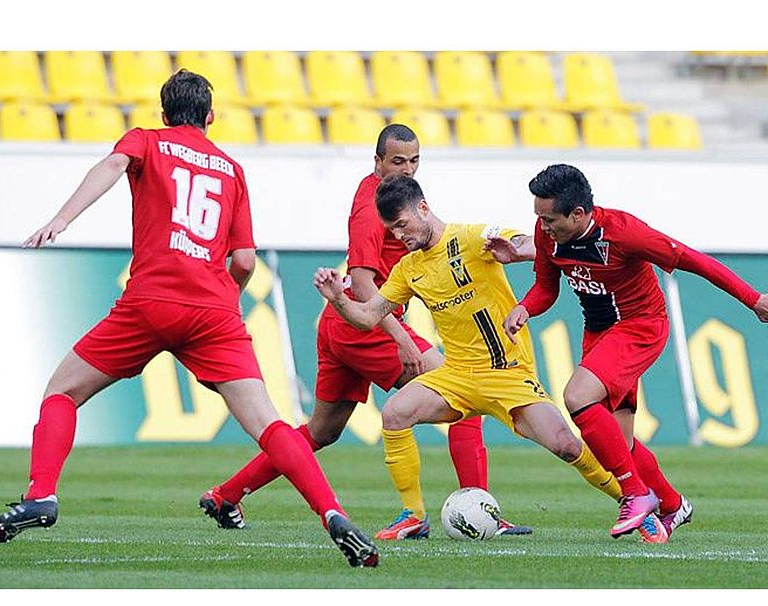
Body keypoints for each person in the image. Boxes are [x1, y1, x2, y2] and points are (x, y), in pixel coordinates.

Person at [0, 70, 379, 568]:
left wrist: (62, 219)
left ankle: (42, 494)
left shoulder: (146, 141)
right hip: (213, 309)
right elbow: (246, 261)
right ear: (210, 117)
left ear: (164, 113)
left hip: (150, 301)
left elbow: (111, 165)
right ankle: (333, 514)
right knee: (270, 425)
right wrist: (223, 305)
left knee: (62, 393)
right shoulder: (232, 170)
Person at [202, 124, 531, 541]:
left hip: (341, 328)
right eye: (397, 161)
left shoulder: (392, 198)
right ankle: (479, 512)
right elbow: (361, 283)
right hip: (363, 327)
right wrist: (403, 338)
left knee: (322, 431)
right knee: (465, 393)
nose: (406, 170)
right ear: (377, 162)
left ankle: (225, 495)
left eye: (414, 161)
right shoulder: (369, 210)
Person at [489, 163, 768, 541]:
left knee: (576, 395)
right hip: (599, 333)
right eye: (538, 217)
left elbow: (693, 260)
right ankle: (673, 505)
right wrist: (526, 307)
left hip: (640, 327)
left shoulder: (624, 233)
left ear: (578, 213)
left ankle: (636, 494)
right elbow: (546, 286)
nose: (542, 226)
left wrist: (753, 299)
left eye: (550, 218)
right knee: (616, 441)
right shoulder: (548, 234)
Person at [313, 175, 626, 533]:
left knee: (567, 446)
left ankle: (629, 498)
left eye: (402, 225)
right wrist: (338, 298)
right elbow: (368, 316)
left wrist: (519, 250)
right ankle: (413, 515)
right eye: (392, 230)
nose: (399, 236)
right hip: (458, 375)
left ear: (424, 209)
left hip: (508, 372)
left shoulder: (474, 237)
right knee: (395, 413)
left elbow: (528, 242)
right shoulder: (409, 269)